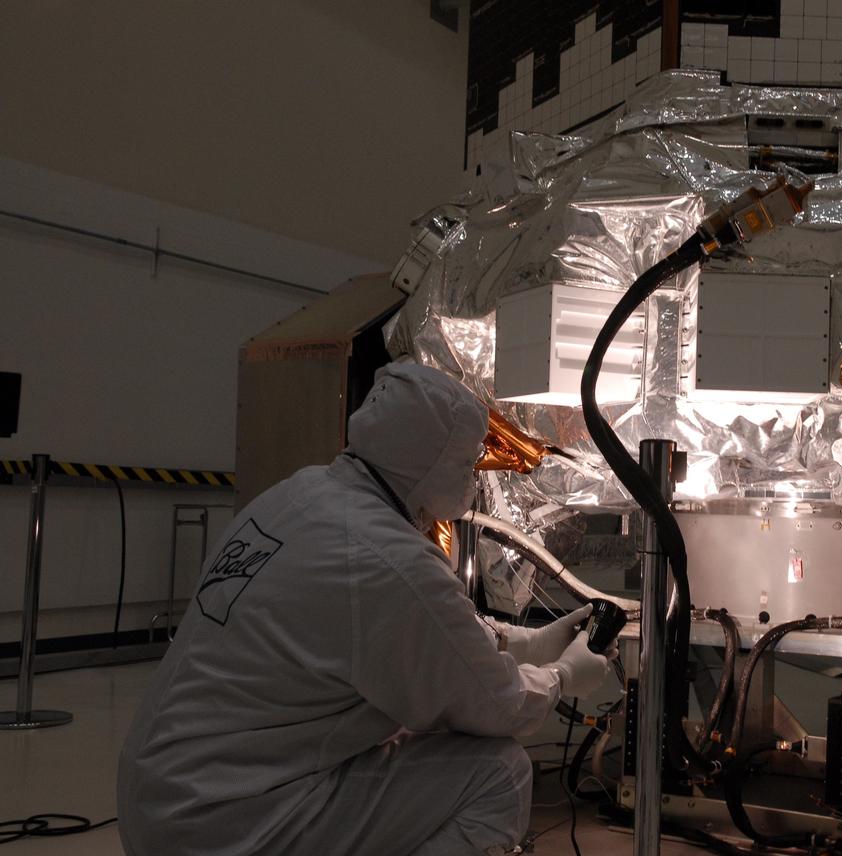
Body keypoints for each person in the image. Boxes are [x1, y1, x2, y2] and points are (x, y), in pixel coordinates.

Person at [118, 362, 616, 855]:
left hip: (162, 794)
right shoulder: (387, 558)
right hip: (228, 821)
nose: (472, 479)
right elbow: (497, 705)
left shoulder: (303, 493)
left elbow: (408, 635)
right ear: (431, 462)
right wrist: (563, 676)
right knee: (497, 772)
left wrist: (529, 641)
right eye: (467, 464)